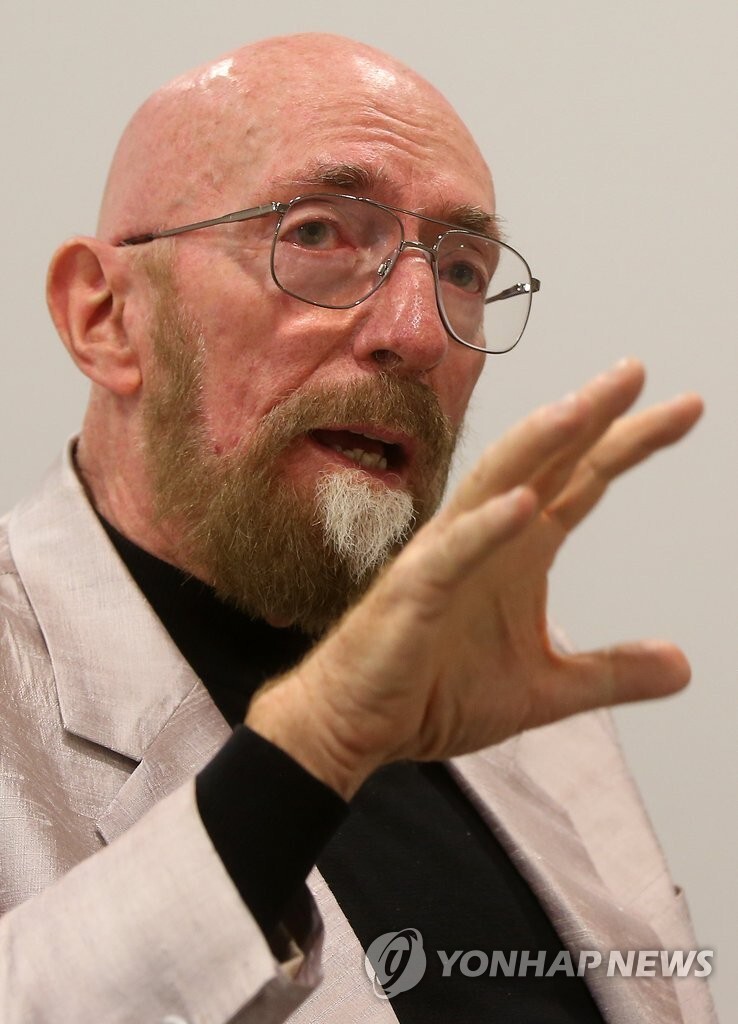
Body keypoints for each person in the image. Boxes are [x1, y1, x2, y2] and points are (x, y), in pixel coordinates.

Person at [0, 32, 715, 1024]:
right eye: (318, 234)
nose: (417, 332)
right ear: (105, 316)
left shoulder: (522, 706)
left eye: (462, 268)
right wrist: (302, 756)